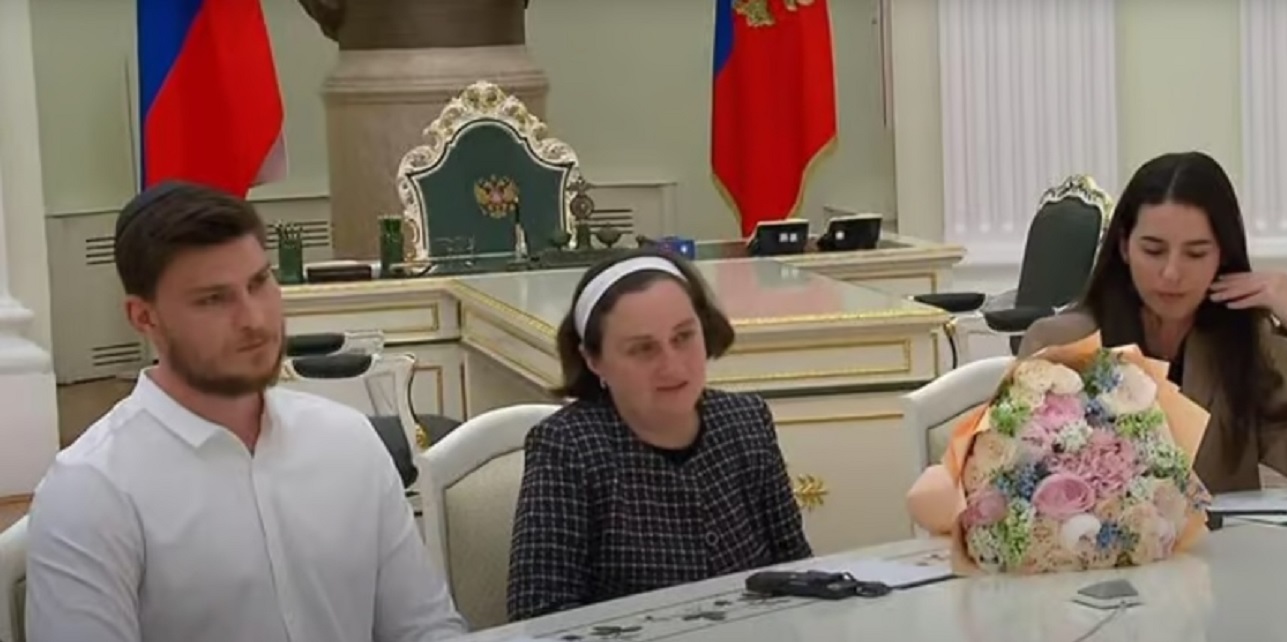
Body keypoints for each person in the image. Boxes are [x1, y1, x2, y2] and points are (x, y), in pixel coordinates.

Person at [24, 182, 468, 642]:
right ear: (144, 317)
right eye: (213, 299)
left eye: (259, 283)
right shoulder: (92, 491)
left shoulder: (348, 441)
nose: (254, 319)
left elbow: (423, 628)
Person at [505, 250, 812, 621]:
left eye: (683, 337)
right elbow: (539, 615)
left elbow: (796, 570)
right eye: (643, 349)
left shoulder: (746, 421)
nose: (672, 365)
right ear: (593, 360)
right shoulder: (567, 447)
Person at [1019, 151, 1287, 493]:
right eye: (1153, 251)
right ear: (1124, 247)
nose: (1171, 273)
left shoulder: (1245, 339)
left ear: (1222, 254)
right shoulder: (1064, 345)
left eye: (1196, 253)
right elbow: (1020, 482)